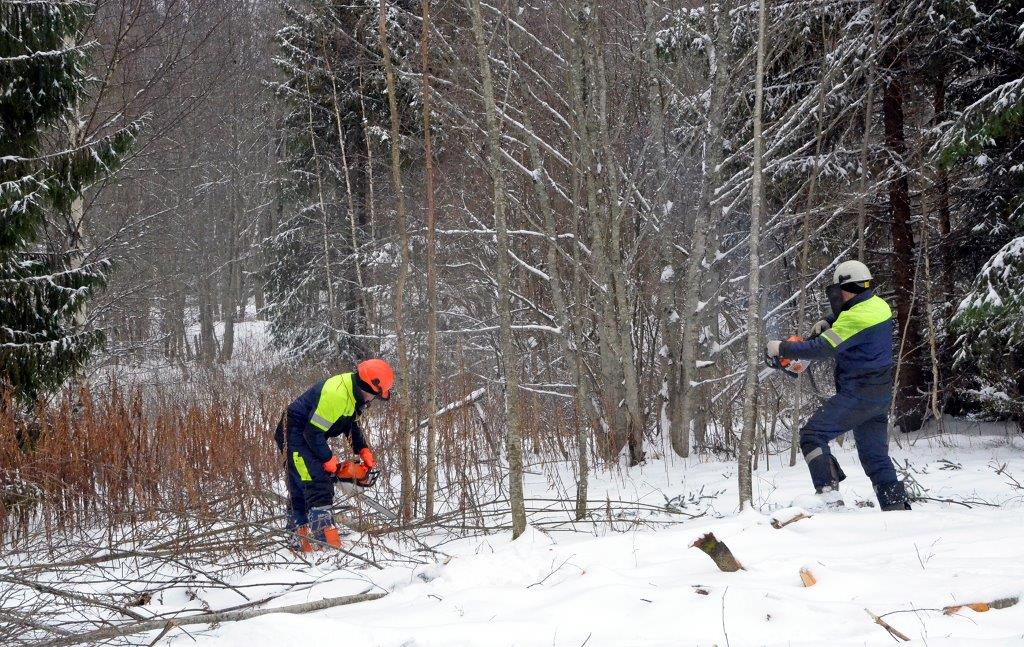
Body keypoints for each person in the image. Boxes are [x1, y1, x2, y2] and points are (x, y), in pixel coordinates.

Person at [766, 261, 911, 511]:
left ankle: (829, 499)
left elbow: (821, 348)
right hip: (879, 396)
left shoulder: (857, 318)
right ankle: (897, 509)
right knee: (875, 457)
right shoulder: (878, 306)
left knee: (812, 435)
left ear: (847, 288)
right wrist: (828, 321)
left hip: (859, 395)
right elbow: (849, 317)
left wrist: (782, 347)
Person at [274, 359, 394, 551]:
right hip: (294, 432)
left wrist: (362, 449)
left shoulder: (355, 394)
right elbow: (312, 432)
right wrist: (327, 458)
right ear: (369, 387)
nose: (373, 400)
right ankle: (323, 541)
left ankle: (299, 537)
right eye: (375, 396)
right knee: (315, 481)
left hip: (307, 432)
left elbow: (349, 423)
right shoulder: (336, 395)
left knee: (304, 483)